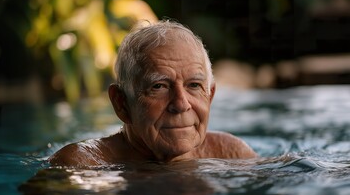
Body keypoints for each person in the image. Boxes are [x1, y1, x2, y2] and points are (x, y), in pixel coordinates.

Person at [48, 20, 257, 166]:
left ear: (209, 96)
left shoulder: (232, 155)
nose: (181, 104)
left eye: (194, 85)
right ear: (121, 103)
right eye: (159, 86)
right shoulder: (81, 166)